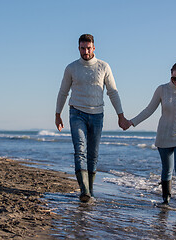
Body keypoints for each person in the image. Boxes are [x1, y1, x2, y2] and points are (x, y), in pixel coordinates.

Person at [55, 34, 131, 203]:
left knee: (93, 154)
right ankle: (84, 191)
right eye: (83, 48)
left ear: (94, 48)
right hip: (76, 113)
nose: (86, 51)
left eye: (89, 48)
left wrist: (121, 116)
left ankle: (90, 190)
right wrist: (57, 114)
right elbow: (63, 92)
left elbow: (113, 92)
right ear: (78, 48)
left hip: (97, 115)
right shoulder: (71, 68)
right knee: (80, 149)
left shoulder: (104, 67)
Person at [129, 62, 176, 213]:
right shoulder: (162, 90)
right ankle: (166, 200)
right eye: (174, 78)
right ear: (170, 74)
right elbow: (149, 110)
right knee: (167, 169)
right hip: (164, 135)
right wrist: (132, 122)